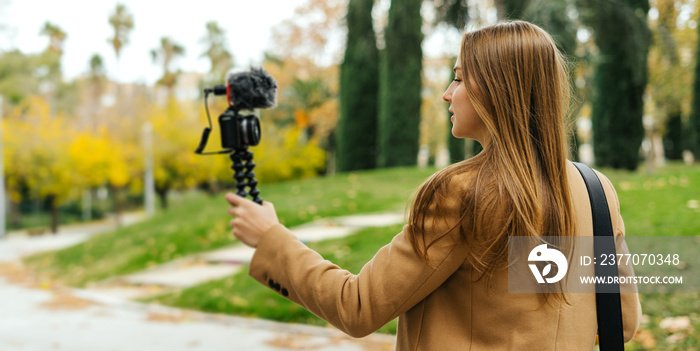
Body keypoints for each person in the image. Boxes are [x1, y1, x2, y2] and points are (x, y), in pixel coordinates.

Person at [225, 20, 641, 350]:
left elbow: (358, 307)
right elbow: (622, 323)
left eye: (459, 79)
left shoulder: (460, 194)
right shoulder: (595, 189)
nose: (447, 94)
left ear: (497, 92)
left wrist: (272, 240)